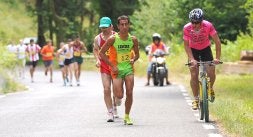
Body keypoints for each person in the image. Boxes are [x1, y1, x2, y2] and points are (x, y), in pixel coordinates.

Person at [99, 15, 139, 125]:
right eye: (122, 24)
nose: (124, 26)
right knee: (119, 95)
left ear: (129, 25)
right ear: (118, 26)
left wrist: (133, 59)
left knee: (130, 92)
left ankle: (127, 116)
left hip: (128, 69)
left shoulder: (133, 39)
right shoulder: (113, 39)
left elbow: (137, 55)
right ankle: (116, 100)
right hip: (116, 70)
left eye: (126, 24)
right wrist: (112, 65)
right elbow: (101, 53)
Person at [183, 8, 221, 110]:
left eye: (197, 22)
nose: (194, 25)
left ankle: (210, 87)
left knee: (211, 71)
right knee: (194, 74)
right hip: (193, 50)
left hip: (205, 49)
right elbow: (186, 46)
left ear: (202, 21)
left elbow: (217, 42)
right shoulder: (187, 28)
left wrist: (217, 58)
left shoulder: (208, 25)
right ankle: (196, 99)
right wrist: (191, 59)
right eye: (192, 22)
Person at [93, 17, 121, 122]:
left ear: (111, 26)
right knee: (106, 89)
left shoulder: (117, 37)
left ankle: (115, 104)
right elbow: (95, 50)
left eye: (105, 27)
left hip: (116, 66)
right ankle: (110, 112)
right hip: (104, 65)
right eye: (102, 27)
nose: (103, 29)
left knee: (117, 91)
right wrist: (97, 60)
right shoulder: (98, 38)